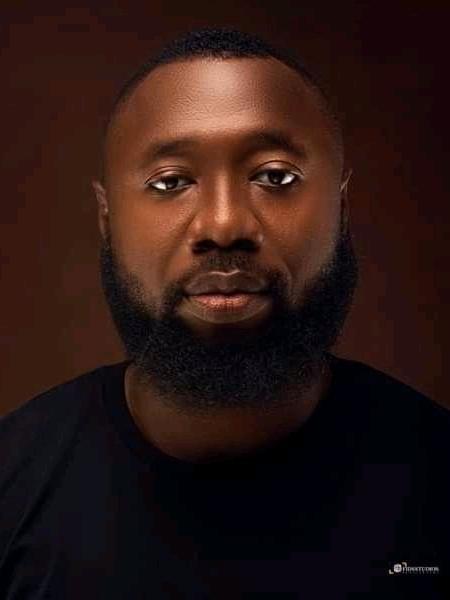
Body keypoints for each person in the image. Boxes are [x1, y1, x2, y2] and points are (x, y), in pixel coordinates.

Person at [0, 27, 448, 599]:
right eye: (171, 182)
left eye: (275, 177)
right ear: (107, 221)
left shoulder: (437, 478)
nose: (223, 224)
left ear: (341, 208)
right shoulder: (13, 489)